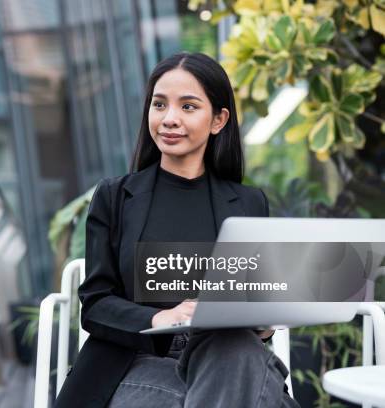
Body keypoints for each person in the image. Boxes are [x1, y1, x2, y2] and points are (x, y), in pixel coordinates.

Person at [54, 52, 300, 408]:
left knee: (235, 348)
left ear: (218, 120)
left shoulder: (249, 203)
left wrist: (264, 322)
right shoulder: (116, 196)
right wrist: (162, 316)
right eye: (159, 105)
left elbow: (255, 298)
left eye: (188, 107)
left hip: (228, 359)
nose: (169, 119)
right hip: (139, 362)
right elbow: (95, 305)